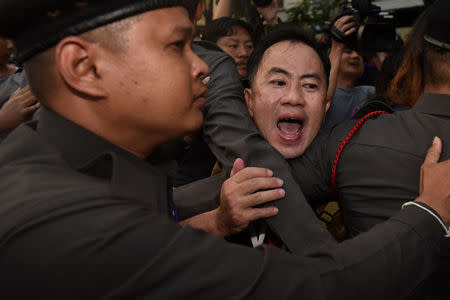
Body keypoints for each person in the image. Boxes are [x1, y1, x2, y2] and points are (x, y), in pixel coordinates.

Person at [0, 1, 449, 299]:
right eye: (178, 46)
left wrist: (216, 215)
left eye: (310, 85)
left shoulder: (71, 166)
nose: (202, 68)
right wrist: (429, 213)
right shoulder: (75, 227)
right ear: (84, 67)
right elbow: (318, 290)